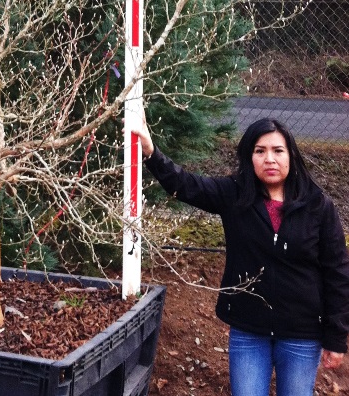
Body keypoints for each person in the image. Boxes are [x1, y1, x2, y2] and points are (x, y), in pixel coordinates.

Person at [131, 114, 349, 396]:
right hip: (249, 332)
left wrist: (336, 338)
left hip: (301, 334)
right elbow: (186, 185)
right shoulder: (234, 195)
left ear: (291, 156)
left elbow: (338, 273)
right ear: (250, 157)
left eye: (277, 150)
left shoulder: (318, 205)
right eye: (260, 151)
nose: (269, 158)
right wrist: (151, 153)